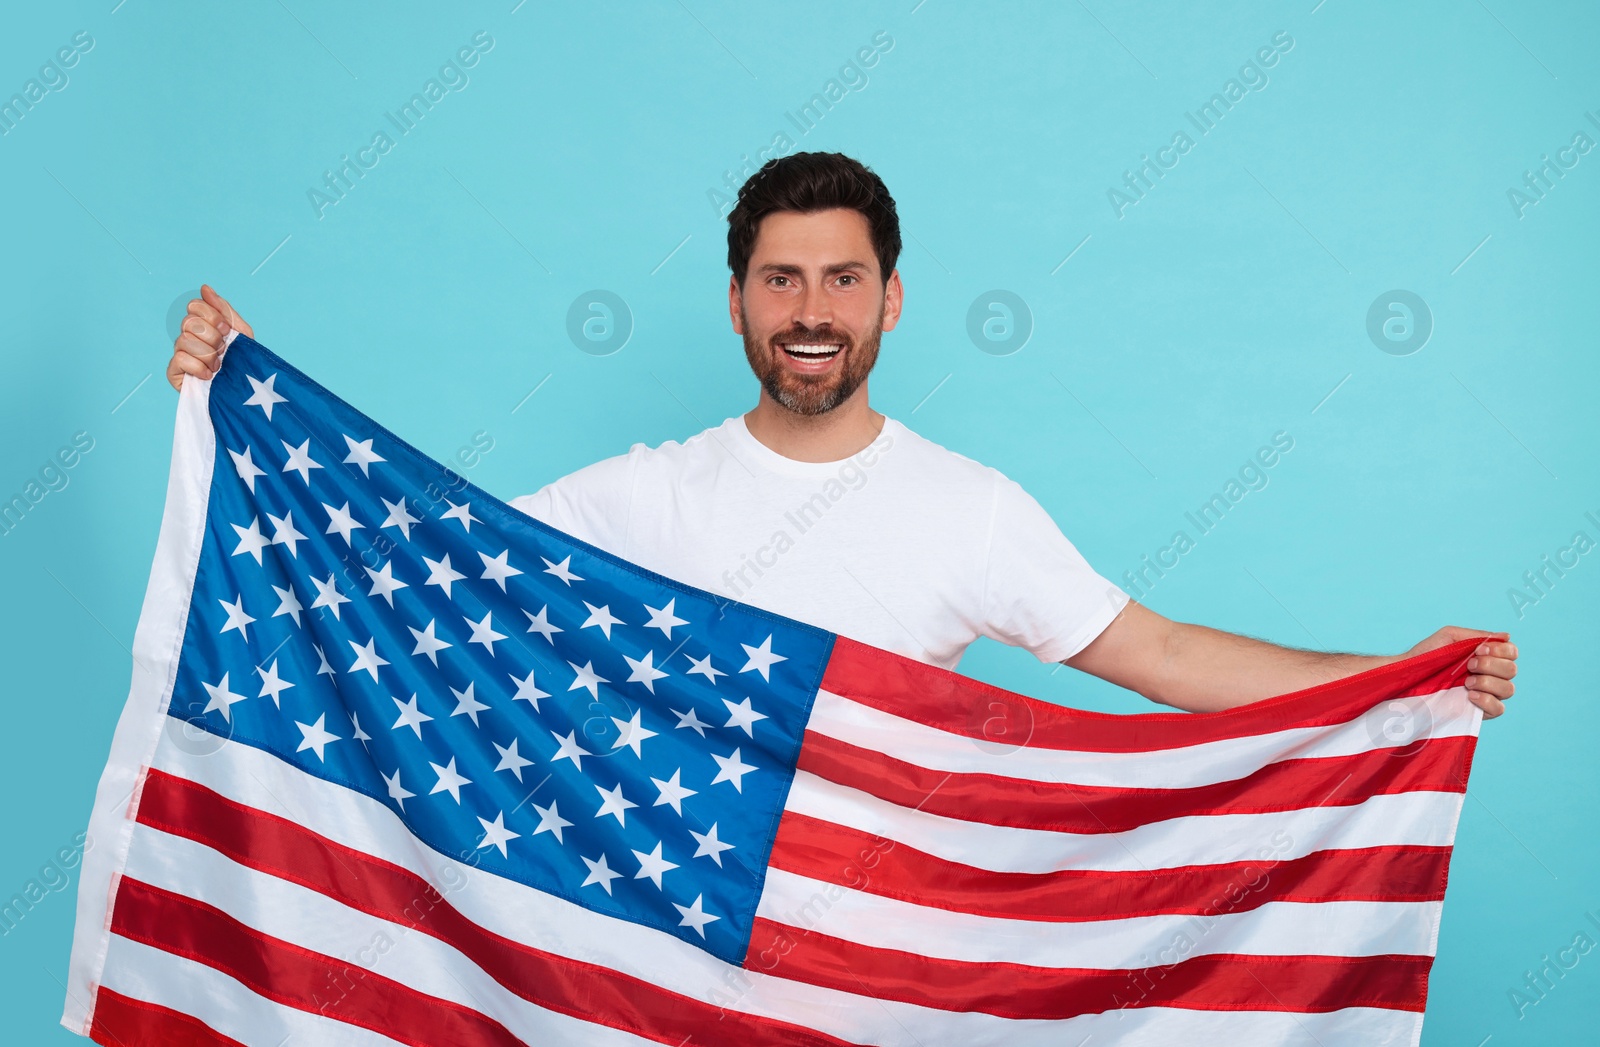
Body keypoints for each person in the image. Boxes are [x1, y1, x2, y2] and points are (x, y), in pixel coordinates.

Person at [166, 151, 1517, 719]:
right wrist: (240, 407)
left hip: (880, 986)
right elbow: (424, 565)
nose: (812, 313)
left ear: (892, 300)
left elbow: (1156, 652)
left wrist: (1392, 679)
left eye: (843, 280)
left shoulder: (968, 509)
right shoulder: (644, 497)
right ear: (741, 300)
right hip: (663, 986)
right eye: (782, 280)